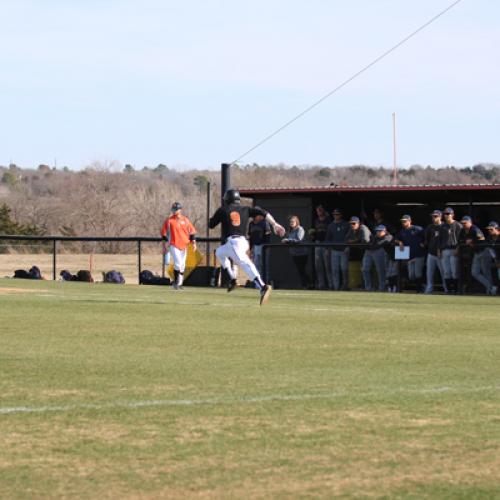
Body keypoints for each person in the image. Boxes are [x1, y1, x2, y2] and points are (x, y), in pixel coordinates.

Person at [209, 189, 285, 305]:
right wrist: (274, 224)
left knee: (245, 263)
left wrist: (213, 217)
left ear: (227, 199)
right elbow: (264, 213)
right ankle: (232, 279)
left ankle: (262, 286)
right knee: (219, 252)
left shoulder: (223, 209)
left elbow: (211, 225)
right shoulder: (246, 209)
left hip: (234, 242)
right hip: (243, 242)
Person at [160, 202, 197, 290]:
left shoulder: (186, 220)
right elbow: (163, 233)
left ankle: (179, 284)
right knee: (178, 263)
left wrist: (194, 243)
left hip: (184, 245)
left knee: (182, 265)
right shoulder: (169, 220)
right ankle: (176, 282)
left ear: (180, 210)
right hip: (174, 244)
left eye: (176, 209)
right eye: (173, 209)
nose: (174, 211)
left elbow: (192, 232)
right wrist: (164, 244)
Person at [459, 216, 496, 295]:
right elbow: (460, 240)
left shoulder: (474, 229)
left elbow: (482, 238)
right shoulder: (462, 230)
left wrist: (473, 240)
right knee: (474, 272)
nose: (463, 225)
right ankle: (491, 287)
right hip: (476, 253)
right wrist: (467, 241)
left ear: (470, 222)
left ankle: (490, 291)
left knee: (486, 272)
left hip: (484, 251)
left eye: (465, 223)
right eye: (462, 223)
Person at [394, 215, 425, 292]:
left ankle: (419, 290)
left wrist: (423, 243)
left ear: (409, 221)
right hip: (409, 256)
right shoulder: (402, 231)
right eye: (402, 221)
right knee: (411, 275)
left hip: (419, 254)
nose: (403, 223)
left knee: (418, 273)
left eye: (405, 221)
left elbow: (426, 236)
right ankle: (422, 286)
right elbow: (395, 239)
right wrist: (400, 242)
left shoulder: (417, 229)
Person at [281, 215, 310, 289]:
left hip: (302, 253)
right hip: (294, 253)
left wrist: (288, 240)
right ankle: (306, 284)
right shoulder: (290, 231)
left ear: (296, 222)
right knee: (300, 270)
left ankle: (307, 285)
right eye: (290, 222)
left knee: (302, 269)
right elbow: (289, 239)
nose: (291, 223)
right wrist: (286, 240)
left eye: (293, 221)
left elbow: (299, 240)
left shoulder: (300, 229)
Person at [362, 225, 393, 292]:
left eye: (380, 231)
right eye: (377, 231)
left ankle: (382, 287)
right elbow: (369, 243)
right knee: (365, 269)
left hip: (380, 251)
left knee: (380, 270)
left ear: (385, 231)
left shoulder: (388, 236)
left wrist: (372, 245)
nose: (378, 232)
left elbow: (380, 244)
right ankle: (368, 287)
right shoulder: (374, 237)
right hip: (370, 251)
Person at [325, 208, 350, 290]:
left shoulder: (346, 224)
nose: (336, 216)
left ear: (341, 215)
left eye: (337, 214)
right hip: (334, 250)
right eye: (334, 214)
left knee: (344, 269)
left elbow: (350, 236)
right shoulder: (331, 225)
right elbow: (328, 239)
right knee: (334, 270)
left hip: (344, 250)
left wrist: (347, 247)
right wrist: (327, 249)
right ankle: (336, 287)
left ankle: (345, 286)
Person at [424, 210, 448, 294]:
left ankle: (446, 289)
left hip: (441, 254)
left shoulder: (444, 226)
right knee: (429, 273)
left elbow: (445, 240)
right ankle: (429, 289)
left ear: (440, 217)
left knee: (443, 273)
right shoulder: (430, 227)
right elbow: (427, 239)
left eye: (435, 216)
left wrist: (440, 249)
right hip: (431, 253)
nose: (434, 218)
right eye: (433, 216)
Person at [309, 205, 332, 290]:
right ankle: (321, 284)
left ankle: (331, 284)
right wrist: (312, 234)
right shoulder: (316, 221)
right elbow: (313, 230)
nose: (319, 212)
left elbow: (330, 233)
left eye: (320, 210)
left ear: (324, 211)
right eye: (318, 210)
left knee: (327, 265)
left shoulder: (329, 220)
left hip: (326, 244)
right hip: (318, 243)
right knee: (318, 265)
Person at [440, 207, 462, 293]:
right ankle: (449, 290)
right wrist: (439, 250)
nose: (446, 215)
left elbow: (461, 239)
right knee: (446, 271)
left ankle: (456, 290)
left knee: (454, 271)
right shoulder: (443, 226)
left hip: (454, 250)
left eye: (448, 214)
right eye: (445, 214)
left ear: (452, 215)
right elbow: (440, 239)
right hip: (445, 250)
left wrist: (458, 248)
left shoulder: (458, 225)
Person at [485, 221, 499, 288]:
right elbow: (491, 251)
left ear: (497, 229)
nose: (489, 230)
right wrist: (496, 260)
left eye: (491, 229)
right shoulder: (489, 238)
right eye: (489, 229)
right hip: (497, 260)